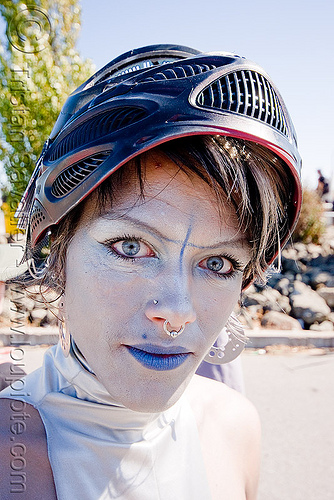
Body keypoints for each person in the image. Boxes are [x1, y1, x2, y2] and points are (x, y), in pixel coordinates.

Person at [0, 44, 302, 499]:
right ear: (58, 249)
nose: (177, 313)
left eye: (218, 264)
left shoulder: (235, 429)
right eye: (130, 247)